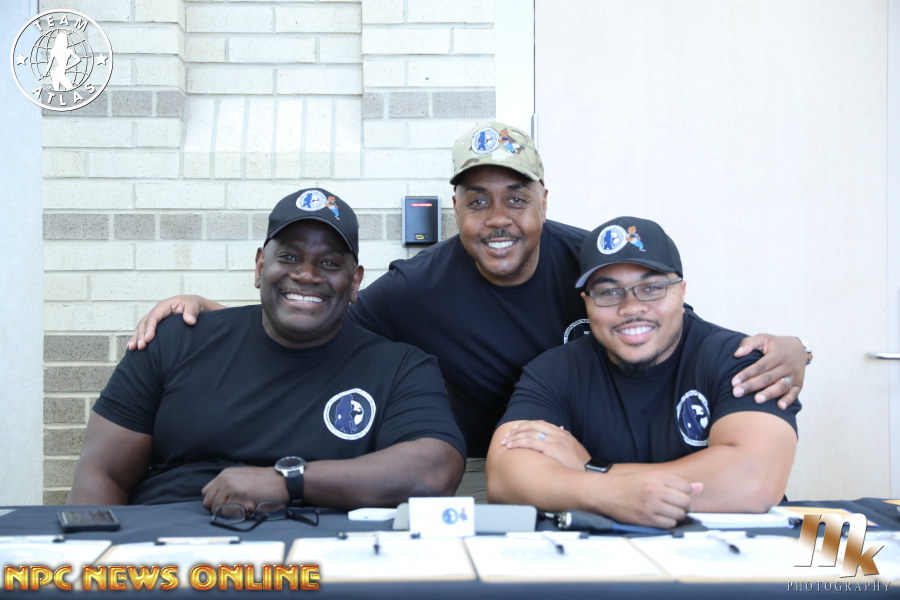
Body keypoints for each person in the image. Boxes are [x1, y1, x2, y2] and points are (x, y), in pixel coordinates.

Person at [126, 122, 811, 501]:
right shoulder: (419, 290)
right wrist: (223, 319)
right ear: (455, 208)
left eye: (516, 197)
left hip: (602, 464)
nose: (498, 217)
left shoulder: (589, 261)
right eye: (477, 200)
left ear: (544, 201)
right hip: (508, 469)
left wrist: (792, 350)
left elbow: (665, 328)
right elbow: (317, 318)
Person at [68, 189, 465, 512]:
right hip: (171, 551)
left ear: (355, 281)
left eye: (329, 263)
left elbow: (432, 472)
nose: (306, 275)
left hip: (323, 560)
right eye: (289, 257)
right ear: (260, 266)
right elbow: (103, 473)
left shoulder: (400, 368)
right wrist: (90, 563)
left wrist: (288, 481)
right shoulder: (175, 341)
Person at [486, 216, 800, 528]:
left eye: (651, 288)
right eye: (609, 293)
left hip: (742, 552)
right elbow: (505, 477)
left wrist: (594, 471)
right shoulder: (554, 371)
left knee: (824, 554)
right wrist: (609, 493)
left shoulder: (738, 359)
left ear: (681, 292)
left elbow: (754, 479)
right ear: (586, 303)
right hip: (608, 552)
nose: (631, 307)